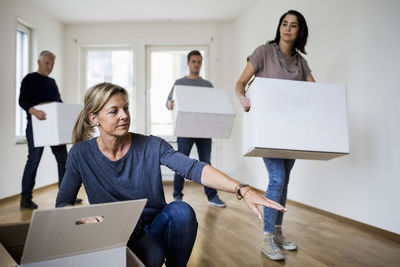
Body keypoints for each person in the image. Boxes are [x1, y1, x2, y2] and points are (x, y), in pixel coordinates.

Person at [56, 82, 287, 267]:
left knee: (181, 211)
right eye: (114, 111)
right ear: (94, 118)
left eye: (126, 108)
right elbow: (63, 203)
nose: (124, 115)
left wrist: (243, 190)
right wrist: (81, 217)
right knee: (153, 257)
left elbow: (194, 168)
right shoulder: (80, 154)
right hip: (113, 232)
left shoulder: (151, 145)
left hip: (155, 224)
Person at [235, 10, 316, 261]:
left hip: (291, 132)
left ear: (299, 32)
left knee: (284, 182)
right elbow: (240, 83)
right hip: (268, 130)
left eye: (293, 25)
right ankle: (268, 237)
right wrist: (243, 98)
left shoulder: (300, 63)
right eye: (284, 24)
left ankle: (278, 232)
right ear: (279, 27)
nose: (287, 29)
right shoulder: (263, 52)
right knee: (277, 179)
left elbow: (316, 90)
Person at [18, 50, 82, 209]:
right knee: (33, 162)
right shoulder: (29, 79)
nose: (50, 66)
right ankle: (25, 198)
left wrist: (67, 114)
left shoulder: (52, 82)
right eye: (47, 63)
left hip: (54, 129)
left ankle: (66, 195)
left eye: (52, 64)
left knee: (64, 161)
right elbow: (22, 101)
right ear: (39, 62)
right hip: (36, 127)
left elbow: (58, 103)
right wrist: (35, 112)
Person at [165, 50, 226, 207]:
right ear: (188, 63)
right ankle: (177, 195)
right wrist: (170, 104)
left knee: (206, 163)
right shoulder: (179, 83)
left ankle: (212, 197)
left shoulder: (207, 85)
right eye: (193, 61)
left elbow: (213, 106)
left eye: (199, 61)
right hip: (185, 130)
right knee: (180, 162)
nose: (196, 64)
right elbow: (167, 103)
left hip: (204, 131)